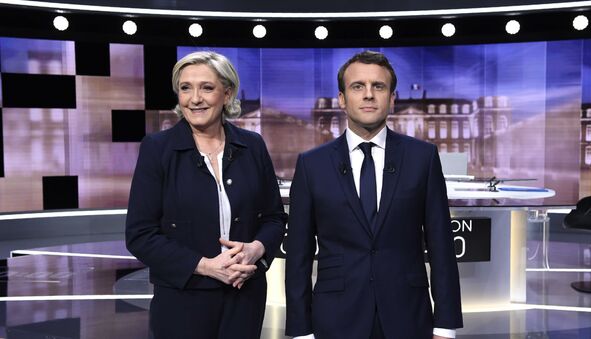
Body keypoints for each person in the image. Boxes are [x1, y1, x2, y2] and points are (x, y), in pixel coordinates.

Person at [285, 51, 463, 339]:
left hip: (408, 317)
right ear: (342, 99)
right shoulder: (311, 165)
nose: (369, 95)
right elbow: (298, 255)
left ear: (392, 98)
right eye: (358, 86)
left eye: (378, 87)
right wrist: (300, 329)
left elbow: (441, 245)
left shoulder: (423, 158)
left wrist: (445, 324)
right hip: (335, 318)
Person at [126, 51, 286, 339]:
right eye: (186, 88)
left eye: (207, 88)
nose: (194, 98)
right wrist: (205, 267)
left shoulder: (252, 146)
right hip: (183, 299)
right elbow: (140, 234)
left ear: (227, 94)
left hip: (244, 296)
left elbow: (274, 218)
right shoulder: (157, 149)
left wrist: (256, 250)